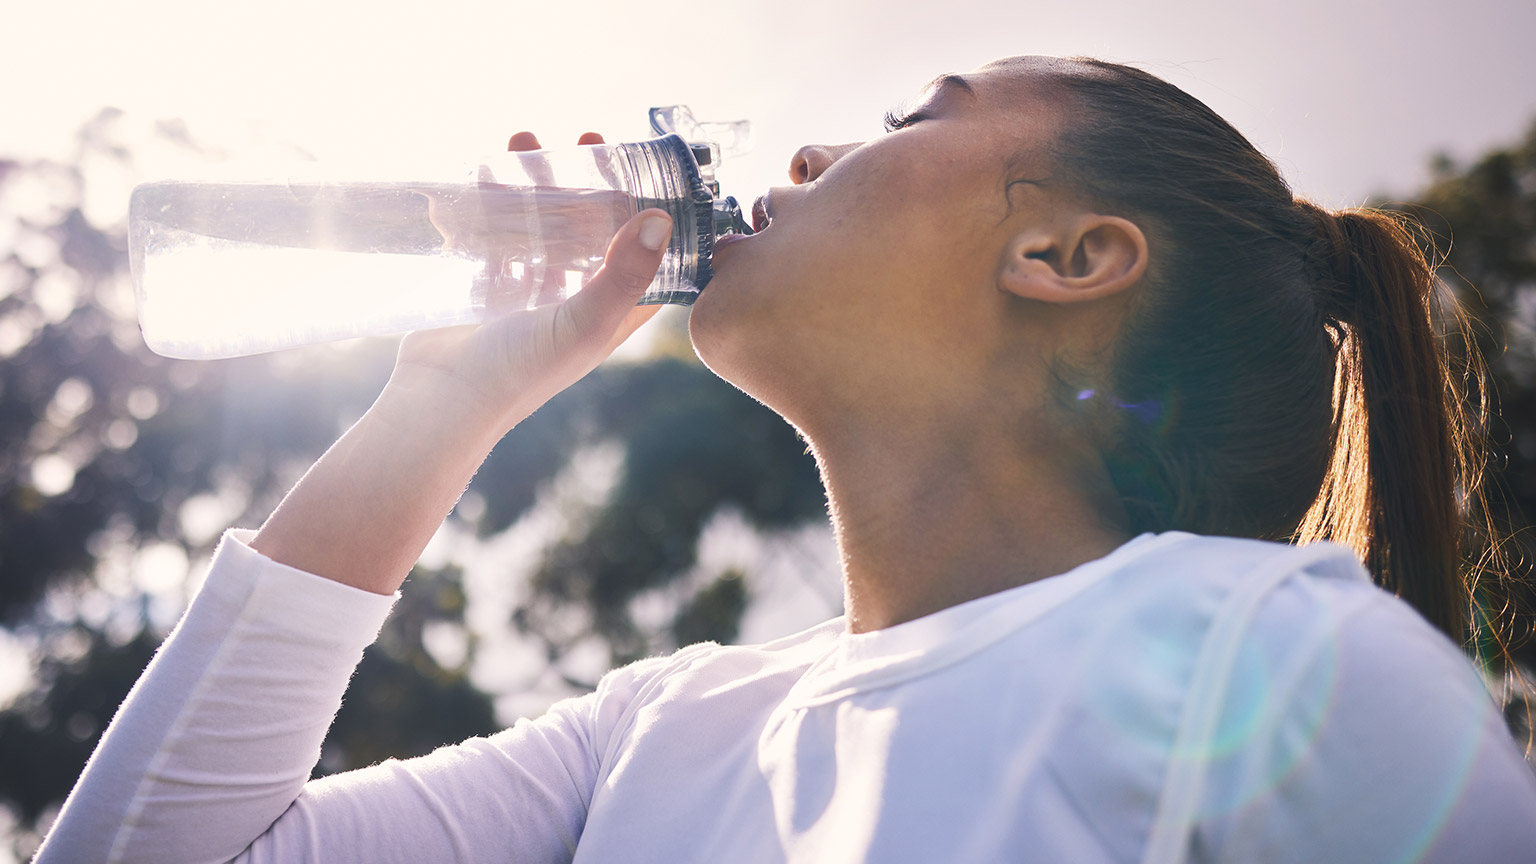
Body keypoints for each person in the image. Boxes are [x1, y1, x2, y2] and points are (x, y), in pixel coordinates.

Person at [36, 56, 1536, 863]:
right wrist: (438, 407)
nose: (808, 159)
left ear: (1067, 254)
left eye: (910, 118)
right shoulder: (661, 727)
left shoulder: (1267, 658)